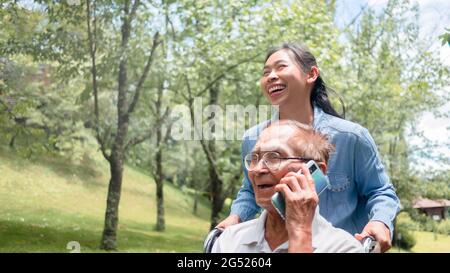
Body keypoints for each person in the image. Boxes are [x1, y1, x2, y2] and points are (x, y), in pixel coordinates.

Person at [217, 43, 400, 252]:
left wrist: (381, 221)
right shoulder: (253, 138)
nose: (271, 76)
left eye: (281, 67)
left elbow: (380, 191)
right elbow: (250, 191)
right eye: (266, 72)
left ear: (311, 74)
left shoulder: (351, 137)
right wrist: (236, 216)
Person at [212, 121, 363, 253]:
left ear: (315, 170)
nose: (257, 169)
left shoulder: (345, 248)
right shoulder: (229, 240)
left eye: (274, 157)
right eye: (254, 158)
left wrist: (300, 232)